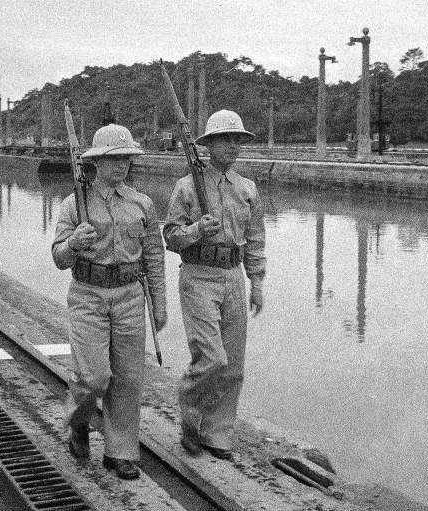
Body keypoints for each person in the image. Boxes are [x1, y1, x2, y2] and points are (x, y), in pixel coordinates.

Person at [51, 123, 167, 480]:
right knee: (93, 375)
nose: (121, 165)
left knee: (129, 378)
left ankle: (120, 452)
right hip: (88, 295)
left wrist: (159, 303)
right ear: (96, 163)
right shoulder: (75, 203)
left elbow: (154, 257)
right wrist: (74, 244)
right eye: (113, 159)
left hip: (131, 296)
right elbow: (58, 257)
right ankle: (80, 422)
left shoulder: (142, 204)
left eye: (126, 158)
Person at [163, 109, 266, 460]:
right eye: (226, 140)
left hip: (233, 276)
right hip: (199, 275)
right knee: (212, 357)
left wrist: (258, 281)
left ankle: (217, 434)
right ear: (208, 145)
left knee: (233, 364)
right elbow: (170, 237)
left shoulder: (247, 188)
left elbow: (254, 238)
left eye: (238, 140)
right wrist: (195, 232)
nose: (234, 146)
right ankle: (190, 413)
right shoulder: (187, 186)